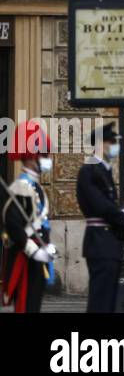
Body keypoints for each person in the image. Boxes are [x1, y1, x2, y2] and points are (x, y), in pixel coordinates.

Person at [76, 122, 124, 313]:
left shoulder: (103, 170)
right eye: (111, 142)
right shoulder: (89, 170)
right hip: (100, 241)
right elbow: (99, 204)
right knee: (100, 300)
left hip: (109, 242)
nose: (115, 146)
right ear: (100, 144)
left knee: (109, 300)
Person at [2, 122, 55, 313]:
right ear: (32, 157)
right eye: (44, 154)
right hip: (25, 258)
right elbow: (13, 224)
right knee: (26, 306)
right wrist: (33, 250)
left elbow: (40, 223)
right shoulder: (20, 187)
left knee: (34, 305)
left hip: (38, 257)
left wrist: (47, 245)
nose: (48, 159)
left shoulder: (35, 186)